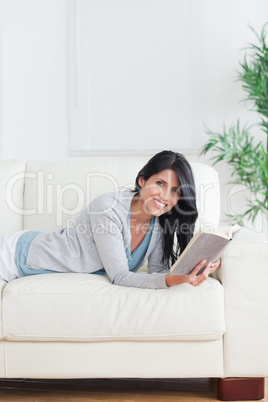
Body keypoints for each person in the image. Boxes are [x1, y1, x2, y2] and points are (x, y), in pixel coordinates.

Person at [0, 150, 220, 288]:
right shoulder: (107, 209)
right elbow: (121, 277)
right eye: (160, 183)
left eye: (175, 191)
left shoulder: (160, 221)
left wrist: (196, 266)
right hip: (16, 256)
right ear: (142, 180)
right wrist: (177, 279)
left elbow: (158, 273)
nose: (165, 196)